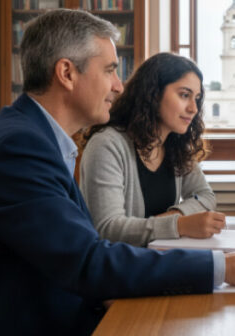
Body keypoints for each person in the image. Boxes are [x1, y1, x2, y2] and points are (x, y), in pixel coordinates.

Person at [0, 9, 235, 336]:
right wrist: (225, 266)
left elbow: (82, 254)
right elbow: (89, 259)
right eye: (110, 70)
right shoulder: (22, 145)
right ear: (67, 73)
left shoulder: (38, 137)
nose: (118, 85)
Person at [79, 52, 225, 247]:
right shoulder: (107, 145)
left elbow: (205, 196)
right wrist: (178, 225)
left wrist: (175, 216)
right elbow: (108, 228)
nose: (193, 108)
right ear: (153, 94)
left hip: (159, 260)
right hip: (122, 269)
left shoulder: (177, 144)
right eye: (184, 95)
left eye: (196, 98)